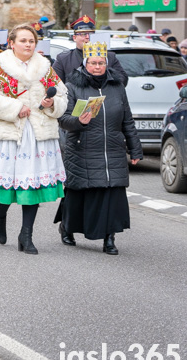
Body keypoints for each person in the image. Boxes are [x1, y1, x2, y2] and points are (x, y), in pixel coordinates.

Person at [0, 24, 67, 255]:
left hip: (37, 132)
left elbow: (62, 94)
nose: (28, 45)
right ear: (12, 42)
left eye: (31, 41)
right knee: (8, 182)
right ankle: (1, 215)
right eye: (23, 40)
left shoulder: (45, 68)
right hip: (9, 132)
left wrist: (51, 104)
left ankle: (26, 235)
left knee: (32, 184)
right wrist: (16, 107)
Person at [56, 41, 143, 255]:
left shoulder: (117, 87)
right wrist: (79, 121)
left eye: (101, 63)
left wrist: (135, 149)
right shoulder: (73, 86)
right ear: (85, 64)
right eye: (93, 63)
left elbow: (128, 121)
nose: (97, 67)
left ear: (107, 63)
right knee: (80, 196)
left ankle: (109, 239)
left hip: (112, 149)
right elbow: (63, 120)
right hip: (83, 148)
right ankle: (67, 227)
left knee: (112, 196)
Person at [53, 16, 128, 86]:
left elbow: (123, 80)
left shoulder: (109, 56)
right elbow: (53, 84)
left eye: (90, 34)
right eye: (83, 34)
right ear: (74, 38)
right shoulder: (64, 59)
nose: (87, 37)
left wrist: (104, 74)